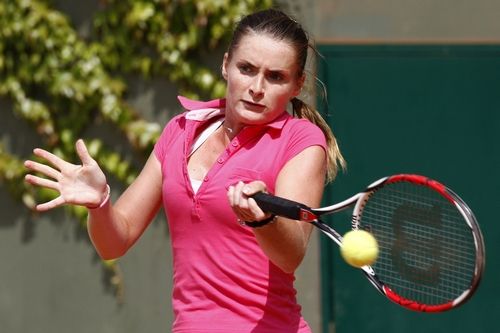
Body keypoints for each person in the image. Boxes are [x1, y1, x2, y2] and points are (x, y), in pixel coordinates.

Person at [24, 8, 345, 333]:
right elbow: (113, 244)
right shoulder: (180, 131)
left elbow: (291, 254)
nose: (257, 87)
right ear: (225, 65)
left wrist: (261, 221)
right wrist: (99, 203)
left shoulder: (301, 140)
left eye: (275, 76)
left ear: (297, 84)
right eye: (246, 69)